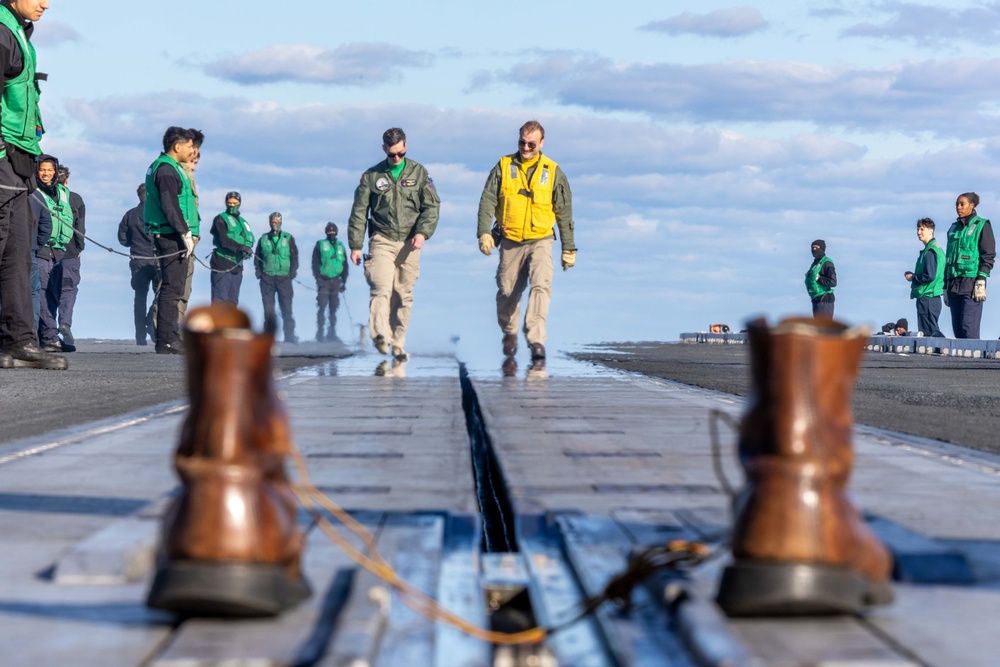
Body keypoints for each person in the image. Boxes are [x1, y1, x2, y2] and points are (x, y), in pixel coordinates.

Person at [0, 0, 66, 370]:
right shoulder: (2, 32)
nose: (46, 3)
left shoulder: (19, 32)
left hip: (21, 160)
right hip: (4, 159)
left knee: (17, 254)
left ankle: (19, 341)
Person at [476, 120, 576, 360]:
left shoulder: (553, 172)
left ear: (541, 143)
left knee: (541, 285)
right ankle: (509, 332)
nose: (526, 148)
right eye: (522, 142)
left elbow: (564, 211)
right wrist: (483, 232)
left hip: (541, 238)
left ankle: (536, 339)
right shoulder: (503, 166)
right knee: (507, 290)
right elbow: (488, 199)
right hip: (510, 239)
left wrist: (568, 248)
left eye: (532, 144)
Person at [348, 127, 439, 360]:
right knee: (381, 288)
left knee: (402, 294)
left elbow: (431, 207)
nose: (396, 158)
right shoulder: (371, 176)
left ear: (405, 147)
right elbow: (359, 212)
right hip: (382, 239)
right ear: (384, 150)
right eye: (391, 155)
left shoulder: (419, 173)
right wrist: (355, 246)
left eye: (399, 153)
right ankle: (380, 335)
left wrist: (422, 233)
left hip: (410, 242)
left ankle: (397, 342)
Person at [145, 126, 198, 355]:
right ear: (177, 146)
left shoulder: (170, 167)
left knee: (174, 287)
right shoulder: (166, 169)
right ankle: (166, 339)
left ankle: (170, 336)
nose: (192, 150)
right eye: (189, 145)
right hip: (170, 235)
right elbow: (170, 204)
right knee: (172, 288)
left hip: (171, 233)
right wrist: (183, 232)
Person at [31, 154, 73, 352]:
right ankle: (49, 337)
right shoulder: (33, 192)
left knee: (54, 295)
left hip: (59, 251)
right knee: (43, 293)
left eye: (50, 170)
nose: (46, 173)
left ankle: (48, 334)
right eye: (42, 170)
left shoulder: (63, 192)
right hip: (42, 250)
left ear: (55, 171)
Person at [945, 192, 995, 339]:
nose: (958, 207)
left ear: (971, 206)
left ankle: (973, 362)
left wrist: (981, 279)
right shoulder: (953, 228)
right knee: (958, 329)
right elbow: (949, 259)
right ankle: (960, 363)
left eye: (962, 204)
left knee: (968, 327)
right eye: (956, 204)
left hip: (972, 283)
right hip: (953, 283)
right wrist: (945, 287)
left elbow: (988, 255)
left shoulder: (982, 225)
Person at [118, 183, 159, 345]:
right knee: (161, 295)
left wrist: (133, 243)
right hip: (157, 260)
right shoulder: (158, 214)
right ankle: (151, 321)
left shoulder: (130, 214)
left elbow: (122, 239)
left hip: (138, 260)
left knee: (140, 297)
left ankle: (140, 336)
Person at [254, 211, 298, 343]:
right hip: (267, 278)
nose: (274, 225)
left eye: (276, 222)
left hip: (284, 278)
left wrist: (292, 273)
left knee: (287, 309)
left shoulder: (288, 238)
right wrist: (259, 272)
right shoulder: (263, 239)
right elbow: (257, 257)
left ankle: (289, 338)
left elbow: (294, 257)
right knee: (269, 311)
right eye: (272, 222)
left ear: (281, 222)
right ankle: (268, 338)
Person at [54, 163, 83, 350]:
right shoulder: (75, 198)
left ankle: (48, 331)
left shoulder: (43, 196)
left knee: (47, 291)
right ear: (67, 180)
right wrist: (80, 247)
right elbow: (80, 228)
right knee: (69, 289)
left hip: (47, 251)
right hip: (71, 251)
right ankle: (64, 322)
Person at [209, 191, 254, 305]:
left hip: (237, 266)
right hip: (222, 264)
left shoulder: (244, 222)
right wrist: (241, 247)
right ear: (226, 203)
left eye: (235, 203)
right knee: (220, 300)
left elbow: (249, 239)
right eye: (229, 203)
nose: (232, 205)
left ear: (239, 203)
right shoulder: (220, 219)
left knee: (233, 302)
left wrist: (247, 250)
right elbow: (223, 240)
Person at [177, 128, 203, 324]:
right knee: (175, 288)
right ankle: (168, 332)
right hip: (179, 236)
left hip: (190, 237)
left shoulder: (188, 175)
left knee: (185, 288)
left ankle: (174, 329)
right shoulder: (176, 172)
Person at [904, 218, 945, 338]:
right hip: (932, 296)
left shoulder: (930, 251)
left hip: (928, 296)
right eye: (918, 229)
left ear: (931, 231)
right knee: (931, 331)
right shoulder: (936, 249)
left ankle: (940, 354)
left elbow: (930, 275)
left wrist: (913, 278)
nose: (919, 232)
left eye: (922, 229)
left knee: (929, 333)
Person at [312, 222, 348, 342]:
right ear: (326, 233)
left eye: (333, 232)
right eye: (329, 232)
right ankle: (320, 333)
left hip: (336, 281)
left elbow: (345, 265)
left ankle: (332, 333)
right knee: (322, 306)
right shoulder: (320, 244)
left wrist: (344, 281)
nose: (331, 234)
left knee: (333, 309)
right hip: (324, 280)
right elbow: (315, 263)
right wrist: (318, 279)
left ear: (336, 232)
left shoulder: (340, 246)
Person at [805, 239, 836, 318]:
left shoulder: (827, 263)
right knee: (817, 328)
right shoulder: (815, 264)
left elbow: (833, 282)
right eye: (812, 248)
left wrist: (819, 278)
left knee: (824, 328)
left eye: (816, 247)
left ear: (822, 248)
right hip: (816, 298)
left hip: (824, 298)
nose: (814, 250)